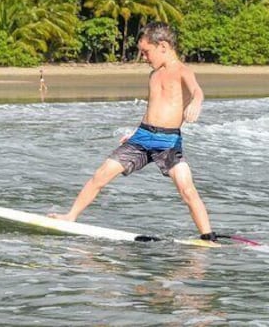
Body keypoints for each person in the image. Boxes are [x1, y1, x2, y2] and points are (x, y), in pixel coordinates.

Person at [50, 21, 217, 241]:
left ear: (163, 47)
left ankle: (208, 237)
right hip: (141, 137)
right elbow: (153, 109)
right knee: (100, 175)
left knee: (187, 190)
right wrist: (135, 132)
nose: (144, 58)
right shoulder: (154, 75)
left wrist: (197, 102)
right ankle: (70, 216)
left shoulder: (182, 72)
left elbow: (197, 91)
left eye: (147, 52)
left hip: (167, 142)